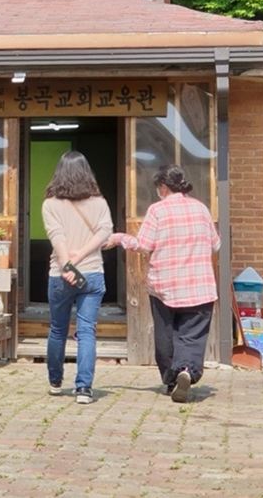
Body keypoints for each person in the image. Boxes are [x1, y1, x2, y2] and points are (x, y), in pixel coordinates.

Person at [107, 164, 220, 403]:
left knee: (165, 335)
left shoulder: (158, 210)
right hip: (200, 286)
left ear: (163, 187)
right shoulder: (201, 209)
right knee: (192, 334)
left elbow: (144, 245)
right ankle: (187, 371)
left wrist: (119, 238)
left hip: (165, 287)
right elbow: (215, 244)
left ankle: (171, 381)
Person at [41, 151, 113, 404]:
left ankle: (55, 381)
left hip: (60, 274)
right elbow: (105, 232)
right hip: (92, 272)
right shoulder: (99, 202)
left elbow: (56, 235)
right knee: (87, 332)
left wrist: (67, 263)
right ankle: (84, 388)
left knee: (58, 330)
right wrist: (81, 256)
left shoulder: (50, 204)